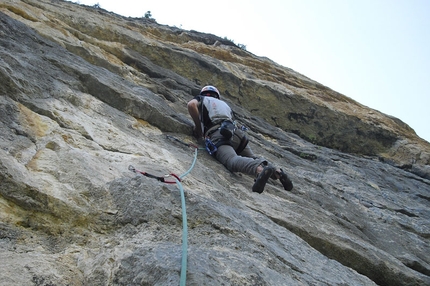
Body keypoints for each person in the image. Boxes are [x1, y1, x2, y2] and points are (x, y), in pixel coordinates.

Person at [187, 85, 293, 193]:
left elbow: (191, 105)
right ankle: (278, 172)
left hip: (219, 133)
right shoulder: (225, 105)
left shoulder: (202, 98)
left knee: (231, 160)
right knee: (252, 157)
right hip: (237, 134)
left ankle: (259, 169)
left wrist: (199, 129)